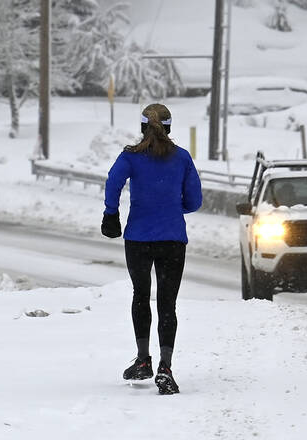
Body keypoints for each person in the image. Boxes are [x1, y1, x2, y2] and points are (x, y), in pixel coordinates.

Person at [101, 103, 203, 396]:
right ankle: (166, 368)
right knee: (167, 303)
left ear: (143, 126)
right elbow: (194, 202)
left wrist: (111, 213)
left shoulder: (130, 158)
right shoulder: (182, 158)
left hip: (138, 239)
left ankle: (143, 360)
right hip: (172, 238)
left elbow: (113, 182)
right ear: (169, 127)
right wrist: (171, 207)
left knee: (141, 296)